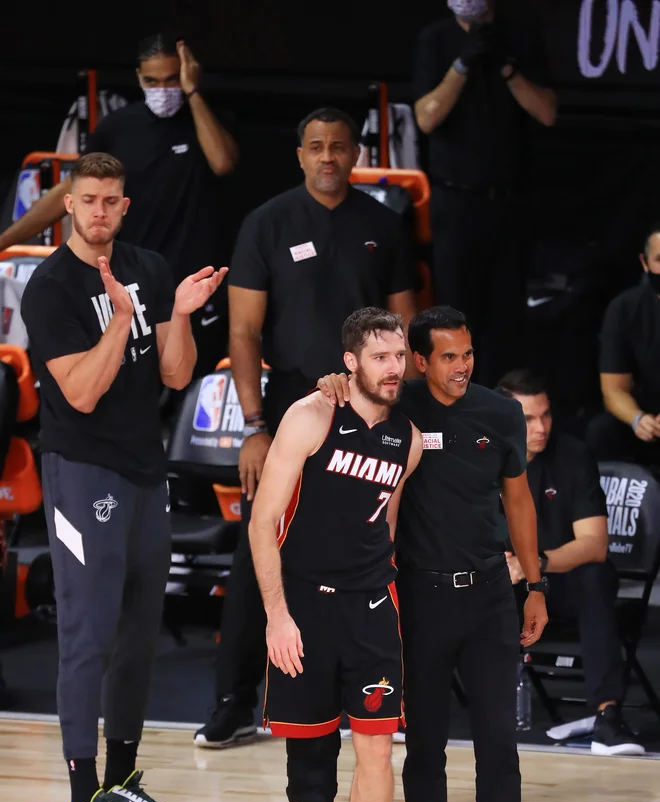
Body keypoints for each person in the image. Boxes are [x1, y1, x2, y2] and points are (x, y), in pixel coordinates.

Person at [20, 152, 227, 802]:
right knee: (89, 635)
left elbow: (173, 371)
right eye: (88, 201)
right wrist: (118, 320)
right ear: (68, 206)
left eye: (112, 200)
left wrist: (180, 315)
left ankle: (121, 783)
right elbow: (79, 393)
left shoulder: (150, 266)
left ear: (125, 206)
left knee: (140, 632)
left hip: (145, 469)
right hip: (83, 472)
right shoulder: (48, 288)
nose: (100, 212)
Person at [194, 107, 417, 748]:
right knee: (259, 543)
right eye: (315, 146)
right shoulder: (267, 223)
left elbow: (406, 329)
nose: (327, 156)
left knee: (377, 545)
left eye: (339, 147)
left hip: (371, 408)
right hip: (294, 405)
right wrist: (255, 424)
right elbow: (241, 331)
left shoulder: (384, 224)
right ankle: (234, 700)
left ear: (356, 154)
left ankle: (380, 696)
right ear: (299, 155)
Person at [318, 305, 548, 802]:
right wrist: (333, 385)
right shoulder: (401, 406)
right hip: (419, 599)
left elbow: (519, 502)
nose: (462, 367)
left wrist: (536, 584)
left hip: (490, 598)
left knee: (500, 741)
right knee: (424, 745)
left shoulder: (500, 413)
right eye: (448, 356)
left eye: (467, 353)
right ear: (420, 361)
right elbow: (350, 393)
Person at [249, 307, 422, 802]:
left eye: (399, 356)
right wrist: (277, 616)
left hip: (372, 608)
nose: (394, 367)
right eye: (381, 357)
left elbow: (388, 525)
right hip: (305, 607)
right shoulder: (310, 416)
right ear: (350, 362)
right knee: (312, 753)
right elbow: (262, 522)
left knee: (378, 748)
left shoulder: (406, 437)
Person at [2, 33, 238, 373]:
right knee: (129, 382)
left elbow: (222, 162)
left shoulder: (208, 121)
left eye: (172, 79)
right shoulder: (118, 128)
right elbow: (69, 190)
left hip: (196, 286)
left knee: (187, 380)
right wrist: (5, 241)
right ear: (139, 78)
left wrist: (193, 91)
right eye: (152, 81)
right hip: (133, 286)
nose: (163, 89)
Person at [497, 370, 645, 755]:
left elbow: (595, 545)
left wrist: (534, 564)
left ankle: (607, 716)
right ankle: (411, 705)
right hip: (503, 583)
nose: (541, 427)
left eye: (545, 415)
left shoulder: (572, 454)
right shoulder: (482, 458)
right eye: (528, 419)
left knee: (596, 575)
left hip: (559, 581)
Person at [412, 0, 556, 385]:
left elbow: (547, 112)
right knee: (456, 314)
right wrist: (463, 64)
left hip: (509, 202)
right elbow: (426, 117)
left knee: (507, 318)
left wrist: (507, 68)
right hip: (456, 202)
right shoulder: (436, 39)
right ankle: (454, 404)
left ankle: (502, 408)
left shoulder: (520, 36)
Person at [587, 223, 660, 468]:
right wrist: (638, 420)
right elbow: (614, 389)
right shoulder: (625, 309)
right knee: (602, 431)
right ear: (645, 262)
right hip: (647, 419)